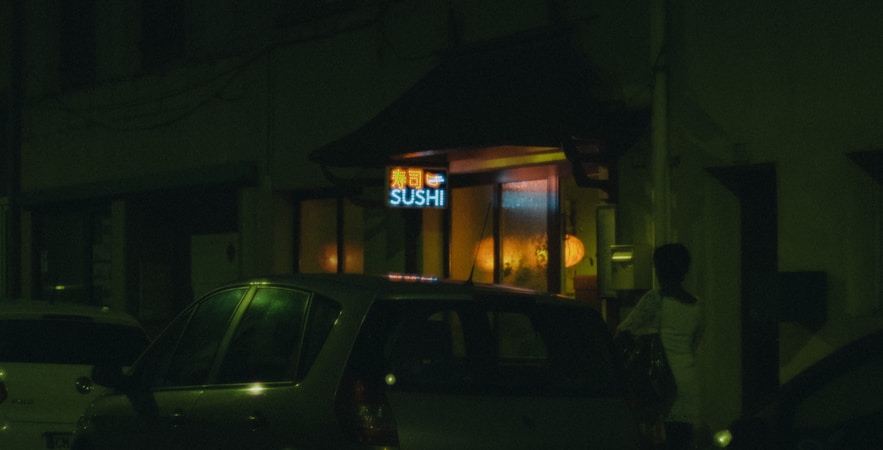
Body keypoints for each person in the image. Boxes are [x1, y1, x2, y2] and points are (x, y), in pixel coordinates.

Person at [616, 243, 705, 450]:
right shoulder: (697, 305)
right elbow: (696, 341)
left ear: (660, 269)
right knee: (682, 440)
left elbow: (624, 331)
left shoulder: (655, 299)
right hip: (688, 380)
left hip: (658, 381)